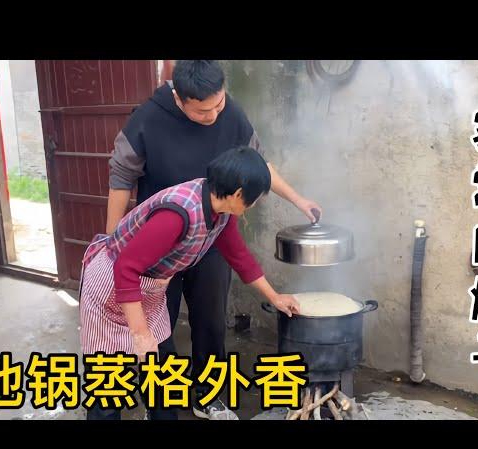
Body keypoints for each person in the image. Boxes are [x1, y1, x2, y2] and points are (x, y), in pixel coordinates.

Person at [106, 60, 320, 420]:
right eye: (203, 110)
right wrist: (112, 240)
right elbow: (121, 176)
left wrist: (299, 200)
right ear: (179, 97)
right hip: (160, 244)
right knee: (158, 326)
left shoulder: (229, 116)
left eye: (219, 104)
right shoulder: (148, 119)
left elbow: (257, 167)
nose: (214, 115)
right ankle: (161, 403)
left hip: (209, 229)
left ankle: (208, 395)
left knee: (210, 320)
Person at [82, 147, 300, 420]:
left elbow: (239, 256)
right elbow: (126, 268)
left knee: (162, 369)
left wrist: (274, 296)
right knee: (109, 378)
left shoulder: (220, 213)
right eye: (254, 200)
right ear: (238, 194)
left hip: (148, 289)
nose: (253, 206)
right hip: (111, 288)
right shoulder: (177, 214)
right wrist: (139, 333)